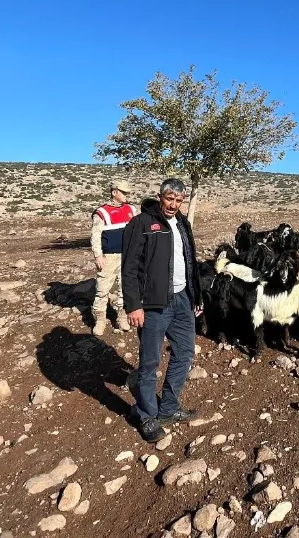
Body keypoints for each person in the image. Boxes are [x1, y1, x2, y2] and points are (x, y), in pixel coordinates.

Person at [121, 178, 204, 443]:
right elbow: (129, 267)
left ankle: (168, 408)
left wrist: (196, 295)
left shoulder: (182, 223)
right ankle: (146, 414)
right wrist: (133, 305)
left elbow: (190, 262)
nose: (174, 204)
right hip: (154, 303)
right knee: (150, 361)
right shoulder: (142, 223)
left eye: (179, 200)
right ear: (160, 197)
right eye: (170, 199)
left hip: (182, 299)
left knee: (185, 353)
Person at [90, 180, 138, 336]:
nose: (126, 195)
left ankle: (122, 316)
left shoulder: (131, 209)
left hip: (128, 256)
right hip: (109, 257)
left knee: (125, 287)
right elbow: (95, 236)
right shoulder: (101, 212)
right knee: (102, 289)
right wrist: (98, 255)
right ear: (114, 192)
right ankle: (100, 320)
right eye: (123, 192)